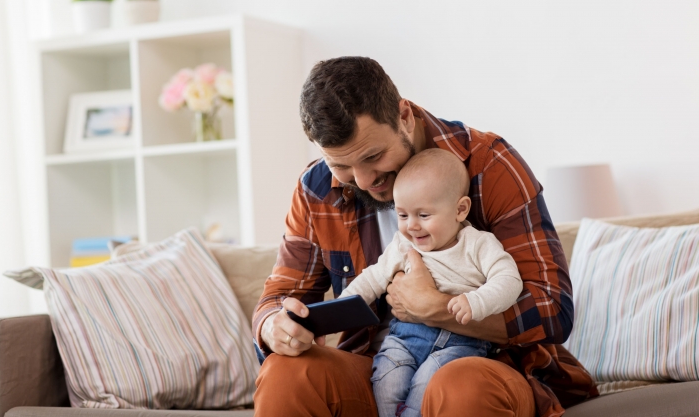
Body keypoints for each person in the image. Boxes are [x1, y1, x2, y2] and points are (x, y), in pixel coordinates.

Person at [252, 56, 597, 417]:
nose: (364, 180)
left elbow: (553, 308)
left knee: (459, 385)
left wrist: (437, 309)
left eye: (374, 156)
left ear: (404, 116)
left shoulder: (489, 165)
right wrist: (274, 326)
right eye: (341, 165)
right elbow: (278, 297)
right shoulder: (316, 189)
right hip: (375, 368)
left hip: (483, 363)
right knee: (285, 373)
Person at [338, 148, 523, 417]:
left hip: (462, 343)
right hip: (405, 338)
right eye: (402, 216)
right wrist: (342, 306)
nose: (412, 226)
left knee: (429, 384)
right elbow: (373, 277)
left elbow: (509, 280)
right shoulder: (403, 243)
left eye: (423, 215)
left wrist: (476, 301)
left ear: (460, 210)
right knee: (387, 382)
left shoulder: (478, 244)